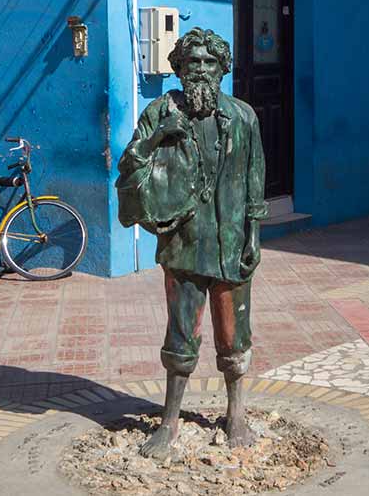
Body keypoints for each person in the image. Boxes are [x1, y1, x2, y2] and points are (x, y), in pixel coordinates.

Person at [116, 27, 268, 457]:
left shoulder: (243, 116)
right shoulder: (159, 111)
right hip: (183, 243)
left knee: (234, 333)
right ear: (178, 69)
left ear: (222, 68)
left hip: (231, 242)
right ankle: (169, 421)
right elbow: (129, 165)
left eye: (209, 62)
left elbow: (256, 179)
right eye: (192, 63)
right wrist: (158, 134)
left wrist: (254, 235)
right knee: (180, 334)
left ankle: (236, 413)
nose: (200, 70)